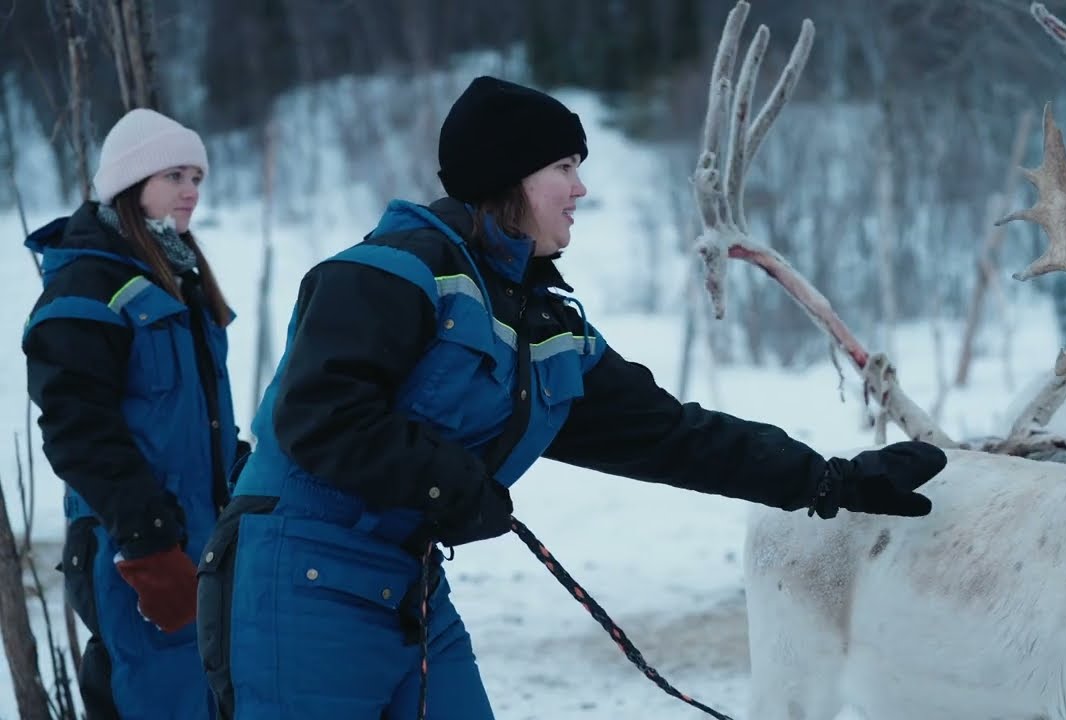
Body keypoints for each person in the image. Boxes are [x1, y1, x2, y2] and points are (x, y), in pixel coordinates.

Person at [196, 76, 947, 720]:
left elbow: (670, 434)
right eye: (564, 165)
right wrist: (447, 481)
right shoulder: (389, 273)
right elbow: (319, 416)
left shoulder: (540, 320)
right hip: (300, 577)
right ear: (509, 175)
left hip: (409, 582)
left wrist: (828, 481)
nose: (581, 187)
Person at [23, 108, 249, 720]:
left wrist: (246, 478)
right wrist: (148, 544)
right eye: (175, 175)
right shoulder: (86, 288)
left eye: (198, 176)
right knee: (155, 699)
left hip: (202, 542)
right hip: (132, 549)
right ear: (130, 183)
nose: (191, 191)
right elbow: (78, 431)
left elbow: (194, 420)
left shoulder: (178, 277)